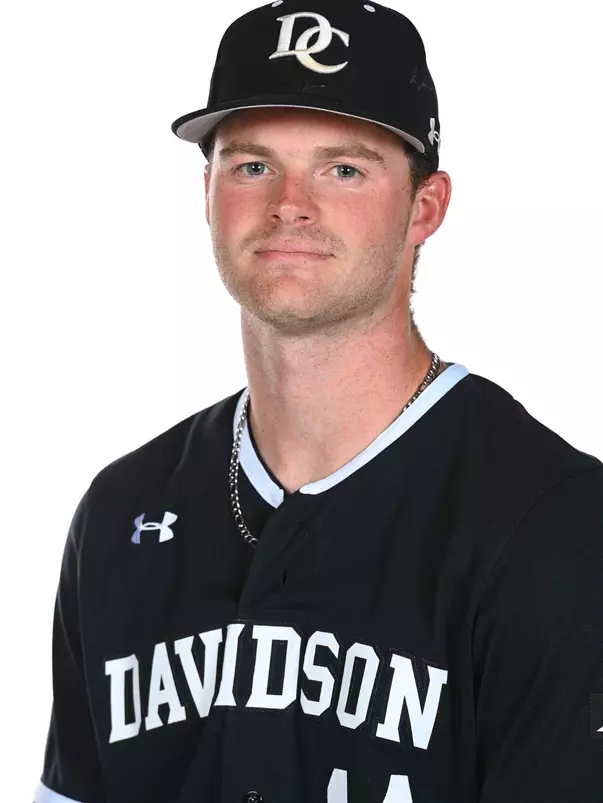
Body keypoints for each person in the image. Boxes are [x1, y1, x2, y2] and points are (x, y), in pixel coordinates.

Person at [34, 1, 603, 802]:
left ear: (425, 207)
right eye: (252, 165)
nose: (289, 204)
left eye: (343, 168)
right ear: (207, 192)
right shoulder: (120, 509)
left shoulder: (555, 523)